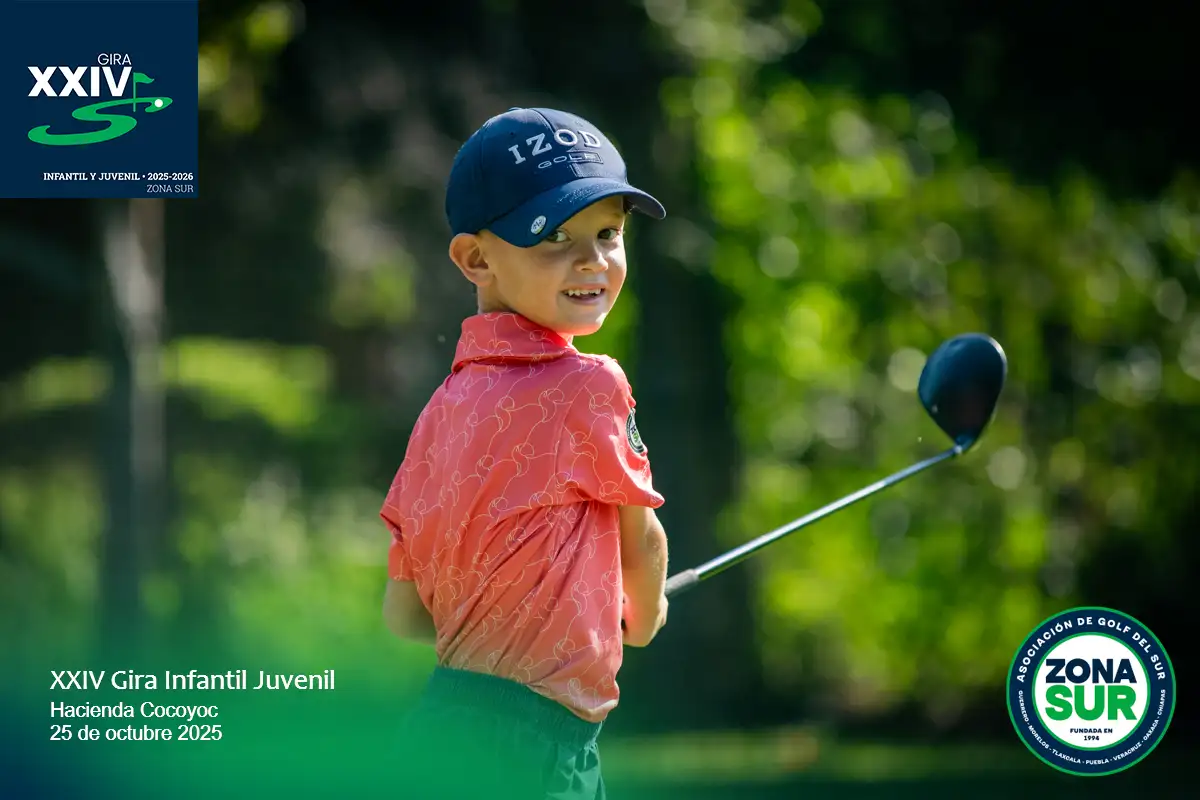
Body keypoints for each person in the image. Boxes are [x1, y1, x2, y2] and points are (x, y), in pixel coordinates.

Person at [379, 107, 671, 799]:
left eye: (608, 233)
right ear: (476, 258)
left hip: (434, 731)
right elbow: (643, 547)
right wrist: (644, 611)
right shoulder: (592, 385)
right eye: (554, 236)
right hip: (535, 751)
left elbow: (404, 613)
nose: (592, 260)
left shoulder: (438, 412)